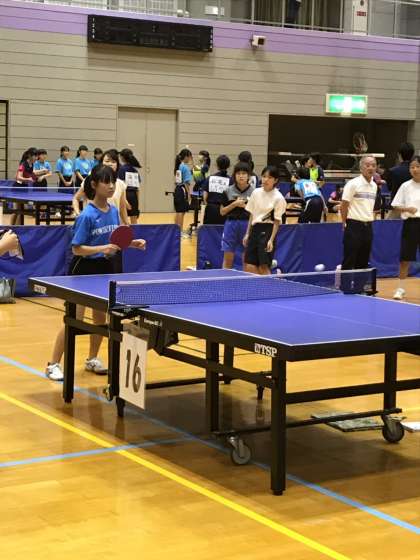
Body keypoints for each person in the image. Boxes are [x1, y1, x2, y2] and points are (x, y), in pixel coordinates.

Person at [46, 165, 146, 381]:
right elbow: (76, 248)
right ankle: (53, 364)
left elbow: (114, 240)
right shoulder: (87, 216)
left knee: (100, 317)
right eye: (106, 182)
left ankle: (92, 358)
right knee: (74, 318)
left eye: (113, 182)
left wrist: (132, 243)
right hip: (83, 269)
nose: (111, 186)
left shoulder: (113, 211)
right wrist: (102, 249)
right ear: (94, 184)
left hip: (105, 268)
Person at [243, 165, 286, 275]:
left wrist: (271, 239)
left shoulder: (279, 198)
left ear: (275, 180)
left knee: (263, 266)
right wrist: (247, 233)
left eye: (270, 177)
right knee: (249, 265)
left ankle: (270, 284)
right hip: (255, 229)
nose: (266, 180)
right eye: (264, 176)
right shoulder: (255, 192)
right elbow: (252, 214)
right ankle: (262, 283)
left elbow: (277, 221)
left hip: (267, 230)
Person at [72, 149, 129, 226]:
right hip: (93, 225)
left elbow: (122, 208)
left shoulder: (121, 184)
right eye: (107, 161)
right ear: (101, 163)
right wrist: (78, 214)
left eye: (113, 162)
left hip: (113, 225)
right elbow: (76, 198)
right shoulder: (91, 180)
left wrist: (127, 223)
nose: (110, 164)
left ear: (117, 165)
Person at [341, 155, 378, 271]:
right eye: (367, 165)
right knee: (349, 259)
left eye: (373, 165)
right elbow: (344, 204)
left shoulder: (374, 186)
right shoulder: (353, 184)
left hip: (368, 226)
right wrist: (344, 222)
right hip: (353, 225)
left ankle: (360, 283)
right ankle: (346, 283)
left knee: (363, 260)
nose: (370, 168)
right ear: (361, 168)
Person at [391, 155, 420, 300]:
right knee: (405, 258)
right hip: (411, 224)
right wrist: (407, 208)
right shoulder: (405, 186)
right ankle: (400, 288)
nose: (415, 169)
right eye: (412, 167)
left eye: (417, 166)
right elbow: (395, 205)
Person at [220, 162, 256, 269]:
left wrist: (245, 206)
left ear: (249, 176)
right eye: (238, 173)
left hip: (247, 225)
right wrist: (234, 204)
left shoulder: (254, 192)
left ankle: (245, 279)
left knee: (246, 259)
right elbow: (222, 212)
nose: (241, 176)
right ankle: (225, 278)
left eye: (244, 173)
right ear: (234, 175)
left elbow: (256, 213)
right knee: (228, 258)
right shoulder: (227, 191)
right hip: (231, 225)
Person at [386, 142, 415, 219]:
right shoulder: (416, 172)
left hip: (397, 207)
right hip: (413, 207)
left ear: (399, 154)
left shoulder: (393, 171)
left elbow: (389, 187)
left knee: (388, 225)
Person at [11, 148, 37, 225]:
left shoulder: (32, 164)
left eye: (37, 156)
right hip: (17, 188)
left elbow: (30, 174)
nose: (36, 158)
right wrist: (28, 179)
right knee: (16, 210)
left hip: (24, 187)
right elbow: (18, 177)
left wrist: (41, 173)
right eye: (35, 156)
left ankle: (18, 227)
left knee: (21, 211)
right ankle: (10, 227)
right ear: (30, 156)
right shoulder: (23, 164)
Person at [202, 154, 230, 225]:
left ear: (217, 165)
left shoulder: (210, 178)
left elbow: (205, 196)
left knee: (209, 230)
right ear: (228, 166)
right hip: (225, 210)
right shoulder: (231, 180)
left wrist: (207, 205)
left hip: (211, 210)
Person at [118, 148, 142, 224]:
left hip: (124, 195)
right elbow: (137, 189)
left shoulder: (121, 169)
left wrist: (125, 201)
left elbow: (120, 187)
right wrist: (137, 202)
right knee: (134, 220)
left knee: (123, 219)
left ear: (122, 157)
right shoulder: (135, 170)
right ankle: (135, 232)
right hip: (134, 196)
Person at [174, 148, 193, 237]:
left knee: (179, 211)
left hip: (177, 189)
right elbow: (186, 183)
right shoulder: (185, 167)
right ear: (186, 157)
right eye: (189, 157)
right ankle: (180, 231)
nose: (190, 159)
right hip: (182, 190)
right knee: (181, 212)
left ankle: (176, 230)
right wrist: (189, 194)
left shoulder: (179, 165)